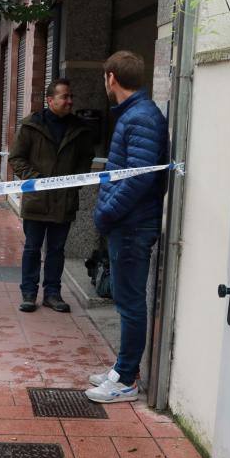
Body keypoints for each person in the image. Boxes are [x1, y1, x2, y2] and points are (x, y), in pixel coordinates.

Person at [85, 51, 169, 404]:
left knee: (131, 302)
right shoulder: (136, 115)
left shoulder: (141, 118)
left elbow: (137, 179)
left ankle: (127, 379)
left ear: (111, 78)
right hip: (129, 224)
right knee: (125, 299)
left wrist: (106, 212)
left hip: (132, 226)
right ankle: (122, 369)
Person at [8, 78, 95, 314]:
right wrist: (36, 179)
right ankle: (28, 293)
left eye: (70, 97)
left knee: (57, 249)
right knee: (32, 248)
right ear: (50, 100)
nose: (70, 101)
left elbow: (86, 158)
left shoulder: (80, 128)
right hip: (37, 200)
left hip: (64, 201)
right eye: (64, 97)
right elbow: (16, 158)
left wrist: (74, 181)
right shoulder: (31, 126)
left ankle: (53, 294)